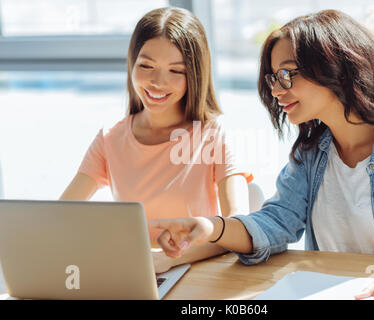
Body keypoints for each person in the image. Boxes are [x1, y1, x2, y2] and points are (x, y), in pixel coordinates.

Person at [150, 9, 374, 299]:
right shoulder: (310, 154)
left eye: (286, 74)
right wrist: (209, 227)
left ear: (338, 69)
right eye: (273, 78)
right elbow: (274, 223)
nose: (277, 90)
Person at [60, 7, 252, 273]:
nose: (157, 82)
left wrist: (167, 259)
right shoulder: (110, 139)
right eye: (146, 66)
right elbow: (58, 215)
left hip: (194, 274)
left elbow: (240, 229)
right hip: (134, 272)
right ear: (132, 64)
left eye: (176, 71)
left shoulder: (213, 136)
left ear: (195, 75)